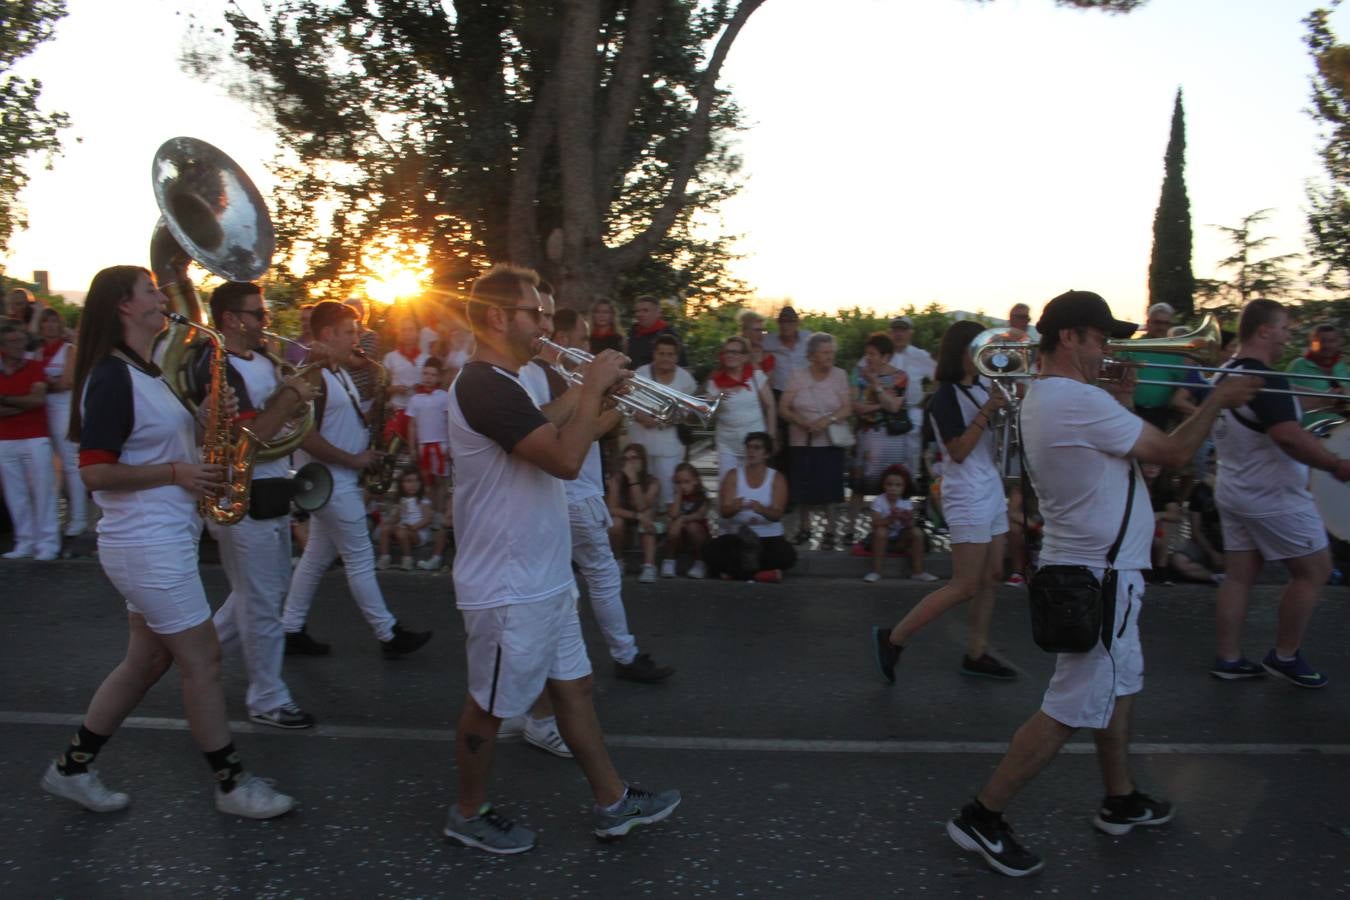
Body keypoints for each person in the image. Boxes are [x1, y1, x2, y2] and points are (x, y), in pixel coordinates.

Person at [943, 289, 1259, 878]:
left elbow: (1144, 466)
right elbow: (1176, 451)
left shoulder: (1068, 398)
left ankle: (1121, 798)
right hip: (1100, 573)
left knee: (1118, 685)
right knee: (1072, 704)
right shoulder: (1070, 399)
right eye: (1100, 337)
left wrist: (1122, 398)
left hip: (1104, 569)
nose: (1108, 347)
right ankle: (982, 816)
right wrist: (1216, 400)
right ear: (1070, 338)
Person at [39, 265, 294, 819]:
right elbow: (94, 473)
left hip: (163, 538)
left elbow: (150, 447)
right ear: (124, 308)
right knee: (201, 659)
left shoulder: (148, 372)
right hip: (144, 543)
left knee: (145, 663)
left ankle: (71, 768)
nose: (163, 299)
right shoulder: (110, 377)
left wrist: (207, 420)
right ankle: (231, 784)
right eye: (151, 291)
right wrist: (177, 473)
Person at [444, 263, 679, 855]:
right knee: (489, 707)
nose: (548, 325)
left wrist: (618, 405)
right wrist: (595, 386)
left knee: (574, 689)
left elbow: (561, 428)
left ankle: (613, 802)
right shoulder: (481, 383)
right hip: (506, 580)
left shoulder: (521, 379)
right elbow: (563, 460)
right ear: (499, 317)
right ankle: (467, 812)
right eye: (537, 314)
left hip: (543, 572)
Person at [192, 281, 321, 731]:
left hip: (271, 489)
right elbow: (252, 435)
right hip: (240, 495)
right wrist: (289, 399)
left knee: (258, 593)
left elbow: (282, 425)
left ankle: (193, 654)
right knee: (262, 601)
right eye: (258, 314)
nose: (267, 322)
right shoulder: (218, 364)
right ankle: (267, 697)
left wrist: (292, 396)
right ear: (231, 320)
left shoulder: (264, 360)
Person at [280, 300, 433, 657]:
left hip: (340, 478)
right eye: (350, 332)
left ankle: (290, 627)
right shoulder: (314, 373)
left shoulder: (339, 372)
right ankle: (388, 634)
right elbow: (307, 436)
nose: (357, 338)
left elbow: (340, 418)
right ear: (328, 334)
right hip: (330, 480)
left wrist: (377, 415)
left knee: (316, 557)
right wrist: (354, 458)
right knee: (360, 556)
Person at [1209, 299, 1350, 686]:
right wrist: (1336, 465)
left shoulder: (1226, 372)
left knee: (1239, 576)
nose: (1289, 336)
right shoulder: (1265, 379)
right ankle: (1285, 656)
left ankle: (1230, 658)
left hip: (1235, 489)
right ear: (1265, 331)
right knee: (1315, 570)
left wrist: (1332, 396)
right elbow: (1286, 434)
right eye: (1285, 328)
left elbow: (1279, 404)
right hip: (1274, 496)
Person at [871, 320, 1014, 682]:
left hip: (990, 485)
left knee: (993, 574)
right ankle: (894, 638)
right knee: (965, 584)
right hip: (966, 490)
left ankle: (976, 652)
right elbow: (959, 450)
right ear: (961, 353)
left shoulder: (984, 385)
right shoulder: (945, 396)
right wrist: (989, 409)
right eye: (978, 348)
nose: (986, 354)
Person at [780, 332, 851, 548]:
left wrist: (828, 420)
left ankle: (830, 531)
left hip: (829, 440)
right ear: (811, 356)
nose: (831, 356)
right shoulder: (797, 375)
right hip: (801, 440)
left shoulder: (840, 375)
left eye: (832, 352)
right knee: (803, 486)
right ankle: (804, 528)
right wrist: (799, 421)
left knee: (830, 487)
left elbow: (847, 407)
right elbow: (784, 407)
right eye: (825, 352)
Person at [0, 320, 60, 559]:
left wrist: (4, 397)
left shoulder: (35, 366)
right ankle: (24, 542)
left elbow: (37, 400)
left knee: (43, 490)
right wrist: (21, 402)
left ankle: (48, 543)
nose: (18, 345)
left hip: (35, 437)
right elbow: (30, 402)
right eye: (13, 341)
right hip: (5, 439)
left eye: (21, 340)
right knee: (15, 493)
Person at [702, 431, 796, 582]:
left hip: (767, 537)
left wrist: (762, 510)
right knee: (711, 551)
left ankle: (736, 575)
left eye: (757, 448)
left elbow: (778, 514)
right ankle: (760, 575)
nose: (751, 451)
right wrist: (735, 507)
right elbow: (724, 512)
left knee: (786, 555)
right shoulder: (733, 475)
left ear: (766, 454)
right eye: (749, 447)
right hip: (738, 537)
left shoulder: (777, 478)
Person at [848, 332, 911, 535]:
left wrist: (875, 385)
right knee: (859, 484)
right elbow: (855, 406)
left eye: (873, 354)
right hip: (866, 438)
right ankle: (850, 528)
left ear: (886, 356)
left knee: (891, 483)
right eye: (867, 354)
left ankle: (892, 527)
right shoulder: (858, 374)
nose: (869, 358)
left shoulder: (900, 376)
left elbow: (894, 407)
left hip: (892, 438)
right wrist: (881, 404)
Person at [33, 307, 86, 538]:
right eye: (46, 322)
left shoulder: (69, 349)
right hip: (39, 411)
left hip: (62, 409)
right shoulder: (36, 350)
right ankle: (52, 520)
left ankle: (79, 517)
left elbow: (67, 382)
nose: (51, 326)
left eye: (55, 322)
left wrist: (41, 384)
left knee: (70, 464)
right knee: (48, 468)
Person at [628, 333, 697, 508]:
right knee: (643, 496)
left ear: (676, 356)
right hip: (641, 445)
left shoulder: (685, 379)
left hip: (670, 449)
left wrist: (660, 421)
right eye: (661, 354)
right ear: (654, 354)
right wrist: (640, 416)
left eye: (670, 354)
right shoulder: (641, 373)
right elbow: (628, 403)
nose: (666, 358)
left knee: (668, 495)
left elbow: (690, 412)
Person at [705, 335, 775, 483]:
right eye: (727, 352)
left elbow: (770, 405)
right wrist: (717, 401)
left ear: (745, 357)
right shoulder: (715, 382)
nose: (729, 355)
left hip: (755, 443)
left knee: (753, 482)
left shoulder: (756, 376)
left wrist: (771, 436)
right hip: (727, 443)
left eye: (735, 352)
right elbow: (709, 415)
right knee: (727, 484)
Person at [405, 356, 452, 569]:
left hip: (440, 445)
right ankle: (431, 517)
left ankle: (441, 516)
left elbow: (450, 420)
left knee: (442, 482)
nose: (429, 377)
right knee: (428, 483)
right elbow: (412, 425)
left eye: (433, 374)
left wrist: (451, 444)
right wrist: (413, 447)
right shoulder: (415, 399)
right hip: (424, 446)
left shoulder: (444, 397)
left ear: (439, 377)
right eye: (426, 373)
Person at [861, 464, 932, 583]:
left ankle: (918, 572)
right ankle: (876, 572)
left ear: (904, 487)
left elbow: (911, 525)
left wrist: (907, 519)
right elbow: (874, 523)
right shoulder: (879, 501)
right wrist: (890, 518)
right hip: (880, 542)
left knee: (917, 532)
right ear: (884, 485)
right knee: (881, 531)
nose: (893, 488)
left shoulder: (905, 502)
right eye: (889, 484)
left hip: (900, 542)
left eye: (898, 485)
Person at [887, 315, 937, 475]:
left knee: (912, 454)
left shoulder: (920, 355)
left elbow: (938, 376)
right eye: (896, 330)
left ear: (910, 333)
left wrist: (927, 397)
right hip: (887, 411)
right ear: (890, 333)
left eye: (903, 330)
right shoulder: (884, 355)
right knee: (889, 454)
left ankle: (910, 489)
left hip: (913, 411)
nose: (899, 334)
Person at [763, 306, 811, 469]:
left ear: (797, 323)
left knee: (801, 436)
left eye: (790, 322)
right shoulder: (769, 341)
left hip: (802, 393)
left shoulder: (808, 338)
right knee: (780, 436)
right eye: (782, 322)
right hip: (779, 392)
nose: (786, 326)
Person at [607, 442, 661, 582]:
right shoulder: (616, 480)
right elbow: (612, 508)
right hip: (627, 518)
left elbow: (642, 506)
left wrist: (633, 480)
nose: (629, 463)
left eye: (634, 458)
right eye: (626, 459)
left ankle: (649, 566)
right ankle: (618, 562)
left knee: (647, 518)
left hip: (645, 519)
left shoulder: (652, 482)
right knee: (615, 522)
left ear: (642, 461)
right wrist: (637, 516)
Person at [1125, 302, 1182, 430]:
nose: (1161, 327)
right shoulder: (1130, 347)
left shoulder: (1178, 352)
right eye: (1157, 322)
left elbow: (1182, 385)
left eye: (1165, 323)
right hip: (1129, 411)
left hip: (1162, 415)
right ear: (1148, 322)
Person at [1285, 323, 1348, 429]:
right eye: (1322, 341)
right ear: (1313, 343)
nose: (1327, 345)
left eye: (1332, 341)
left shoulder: (1342, 366)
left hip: (1342, 433)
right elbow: (1283, 400)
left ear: (1338, 343)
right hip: (1310, 434)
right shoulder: (1298, 366)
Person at [377, 468, 434, 571]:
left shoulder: (422, 501)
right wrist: (389, 521)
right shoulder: (402, 500)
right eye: (408, 481)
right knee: (386, 529)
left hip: (418, 533)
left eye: (416, 481)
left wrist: (414, 527)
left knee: (401, 532)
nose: (413, 484)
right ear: (401, 485)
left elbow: (428, 519)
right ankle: (384, 558)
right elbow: (397, 518)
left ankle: (407, 559)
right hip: (403, 529)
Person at [662, 461, 709, 578]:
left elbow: (699, 515)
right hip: (679, 537)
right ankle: (669, 560)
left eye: (686, 482)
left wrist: (682, 519)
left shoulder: (702, 497)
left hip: (697, 535)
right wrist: (678, 496)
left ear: (696, 481)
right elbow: (673, 514)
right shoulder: (677, 497)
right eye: (679, 482)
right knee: (673, 526)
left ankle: (700, 562)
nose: (683, 486)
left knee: (692, 526)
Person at [342, 298, 380, 414]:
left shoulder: (370, 336)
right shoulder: (340, 337)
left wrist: (337, 351)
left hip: (363, 397)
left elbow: (358, 362)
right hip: (343, 394)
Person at [625, 295, 685, 369]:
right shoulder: (633, 331)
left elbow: (681, 366)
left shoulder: (670, 336)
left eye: (645, 310)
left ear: (658, 313)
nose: (639, 314)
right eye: (637, 311)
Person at [738, 309, 775, 376]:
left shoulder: (767, 356)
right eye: (757, 330)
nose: (761, 334)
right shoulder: (732, 351)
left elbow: (766, 383)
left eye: (762, 330)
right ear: (745, 331)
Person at [282, 302, 315, 367]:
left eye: (309, 319)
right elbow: (287, 370)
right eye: (303, 319)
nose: (305, 323)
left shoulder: (325, 345)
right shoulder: (292, 345)